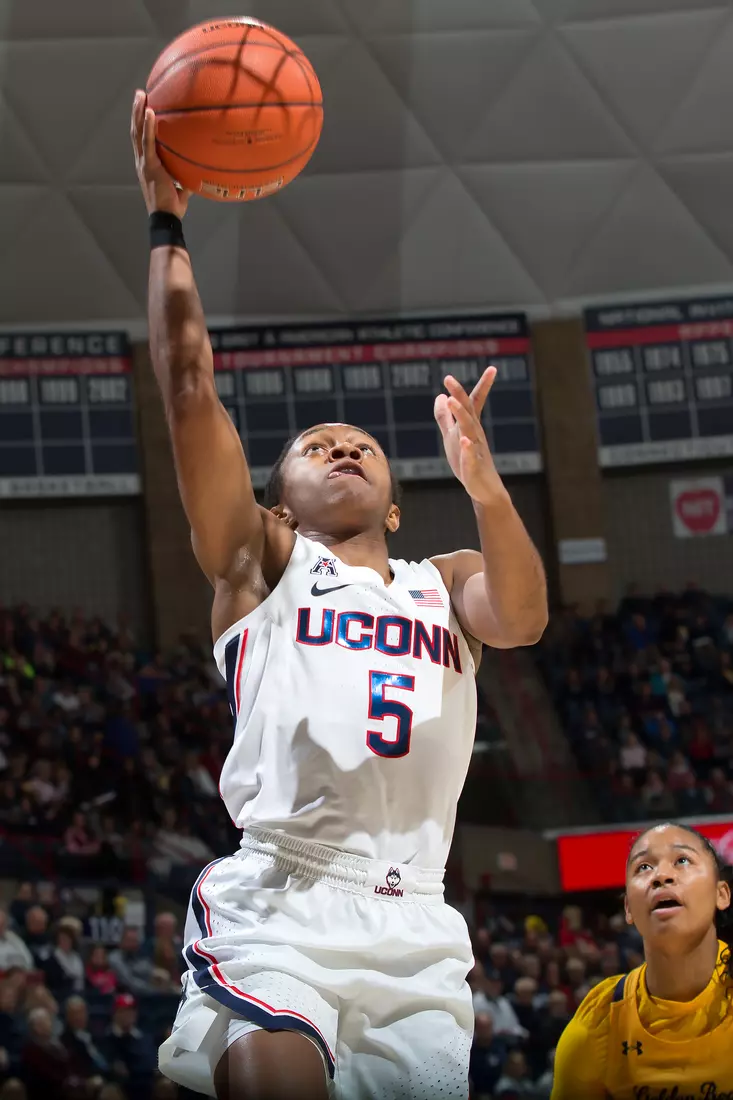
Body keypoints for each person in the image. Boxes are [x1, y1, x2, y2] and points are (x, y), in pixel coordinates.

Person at [131, 87, 547, 1100]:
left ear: (398, 505)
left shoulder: (440, 583)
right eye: (314, 448)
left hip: (415, 919)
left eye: (359, 444)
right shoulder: (261, 563)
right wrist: (166, 223)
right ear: (278, 499)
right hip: (284, 894)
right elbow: (189, 384)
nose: (340, 446)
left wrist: (486, 486)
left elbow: (524, 614)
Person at [552, 822, 733, 1097]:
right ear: (628, 908)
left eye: (682, 860)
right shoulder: (599, 1023)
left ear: (721, 894)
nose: (661, 876)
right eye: (644, 867)